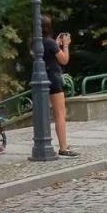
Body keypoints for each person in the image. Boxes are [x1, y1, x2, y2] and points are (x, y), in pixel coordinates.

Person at [40, 17, 76, 156]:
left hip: (41, 79)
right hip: (54, 79)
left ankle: (46, 143)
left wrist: (55, 44)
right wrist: (65, 45)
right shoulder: (49, 42)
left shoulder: (35, 42)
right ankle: (63, 147)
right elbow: (64, 60)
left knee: (46, 114)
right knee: (60, 114)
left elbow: (46, 55)